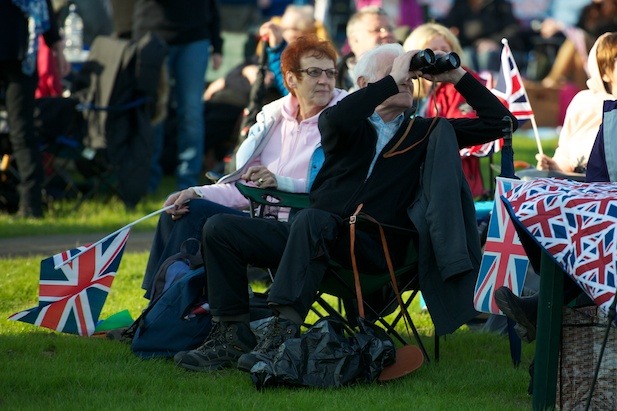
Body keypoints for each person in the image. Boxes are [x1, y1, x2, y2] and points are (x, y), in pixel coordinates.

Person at [172, 42, 516, 372]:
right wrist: (391, 80)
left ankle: (282, 334)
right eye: (396, 74)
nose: (407, 80)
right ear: (366, 84)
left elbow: (502, 123)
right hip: (312, 238)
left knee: (311, 220)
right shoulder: (346, 123)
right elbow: (335, 120)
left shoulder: (425, 133)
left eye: (409, 76)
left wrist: (457, 77)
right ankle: (232, 334)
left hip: (376, 249)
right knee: (220, 228)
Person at [142, 35, 348, 299]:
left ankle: (168, 311)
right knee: (181, 209)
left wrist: (280, 182)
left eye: (330, 73)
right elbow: (245, 189)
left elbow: (336, 186)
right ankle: (158, 307)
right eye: (314, 72)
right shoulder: (274, 120)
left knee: (213, 225)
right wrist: (197, 192)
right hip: (259, 219)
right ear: (291, 80)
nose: (325, 80)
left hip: (301, 231)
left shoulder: (343, 120)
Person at [132, 0, 224, 192]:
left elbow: (211, 5)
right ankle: (147, 180)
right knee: (154, 110)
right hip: (153, 33)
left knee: (191, 112)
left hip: (195, 36)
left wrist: (217, 44)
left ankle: (188, 183)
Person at [403, 22, 491, 198]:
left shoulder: (461, 83)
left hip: (453, 178)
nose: (438, 55)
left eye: (444, 49)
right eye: (431, 50)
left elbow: (462, 130)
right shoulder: (407, 86)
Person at [0, 0, 70, 218]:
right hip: (21, 54)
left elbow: (43, 7)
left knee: (22, 133)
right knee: (23, 133)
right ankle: (29, 204)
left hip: (21, 57)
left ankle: (30, 204)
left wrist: (57, 47)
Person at [536, 32, 617, 173]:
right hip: (583, 183)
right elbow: (567, 152)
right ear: (604, 71)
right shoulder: (585, 102)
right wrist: (554, 166)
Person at [439, 0, 526, 73]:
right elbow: (450, 27)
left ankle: (489, 89)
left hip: (496, 48)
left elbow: (513, 29)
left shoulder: (500, 5)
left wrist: (493, 42)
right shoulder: (459, 5)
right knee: (466, 55)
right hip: (469, 48)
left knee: (486, 56)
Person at [336, 6, 397, 91]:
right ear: (355, 41)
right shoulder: (333, 77)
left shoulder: (410, 69)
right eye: (377, 30)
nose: (386, 34)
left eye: (390, 29)